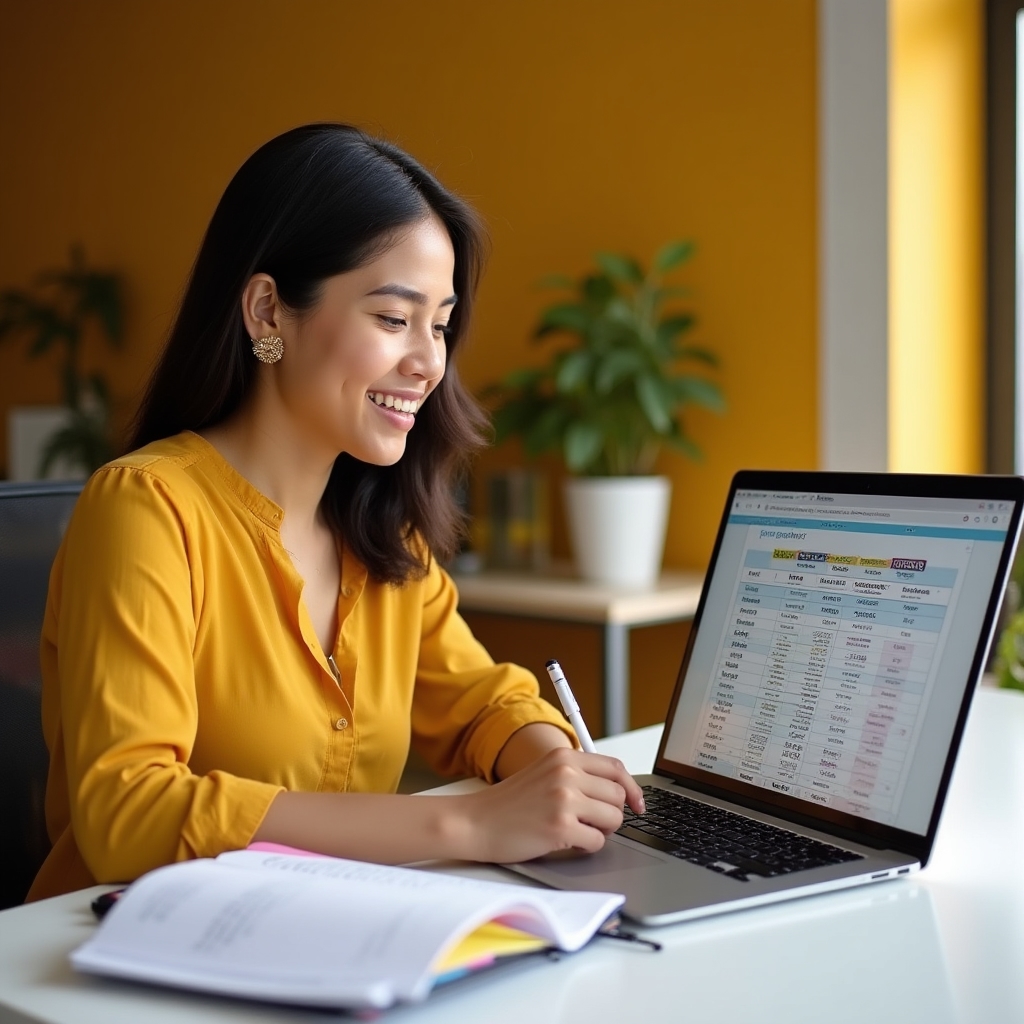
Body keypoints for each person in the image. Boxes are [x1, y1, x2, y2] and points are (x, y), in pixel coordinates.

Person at [27, 123, 643, 901]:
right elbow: (128, 811)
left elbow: (481, 700)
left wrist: (550, 764)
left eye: (441, 325)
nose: (428, 362)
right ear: (267, 312)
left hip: (323, 936)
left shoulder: (385, 531)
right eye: (394, 319)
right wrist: (471, 826)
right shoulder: (146, 509)